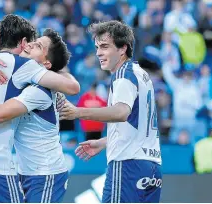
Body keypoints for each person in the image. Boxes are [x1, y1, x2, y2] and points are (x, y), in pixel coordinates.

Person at [0, 14, 79, 203]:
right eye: (32, 42)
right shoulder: (20, 67)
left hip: (41, 172)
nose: (31, 46)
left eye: (38, 46)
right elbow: (72, 85)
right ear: (23, 41)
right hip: (3, 166)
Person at [59, 20, 162, 203]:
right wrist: (105, 141)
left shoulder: (123, 74)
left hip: (127, 166)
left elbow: (121, 112)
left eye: (105, 47)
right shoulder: (141, 74)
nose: (98, 52)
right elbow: (137, 123)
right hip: (151, 167)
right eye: (98, 47)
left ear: (123, 48)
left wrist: (77, 112)